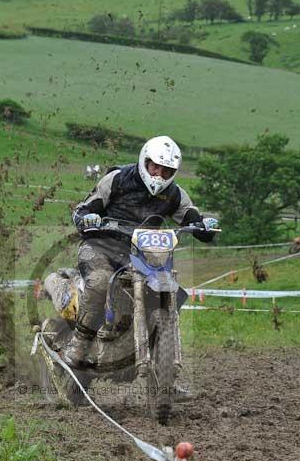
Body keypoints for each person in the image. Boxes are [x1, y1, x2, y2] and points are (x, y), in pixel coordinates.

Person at [62, 135, 217, 368]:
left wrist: (203, 225)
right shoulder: (117, 179)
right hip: (100, 247)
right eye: (156, 167)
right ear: (145, 160)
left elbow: (190, 215)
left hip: (142, 254)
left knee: (172, 293)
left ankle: (165, 372)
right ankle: (79, 343)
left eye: (166, 171)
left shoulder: (175, 194)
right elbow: (84, 208)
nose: (159, 175)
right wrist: (88, 217)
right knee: (101, 283)